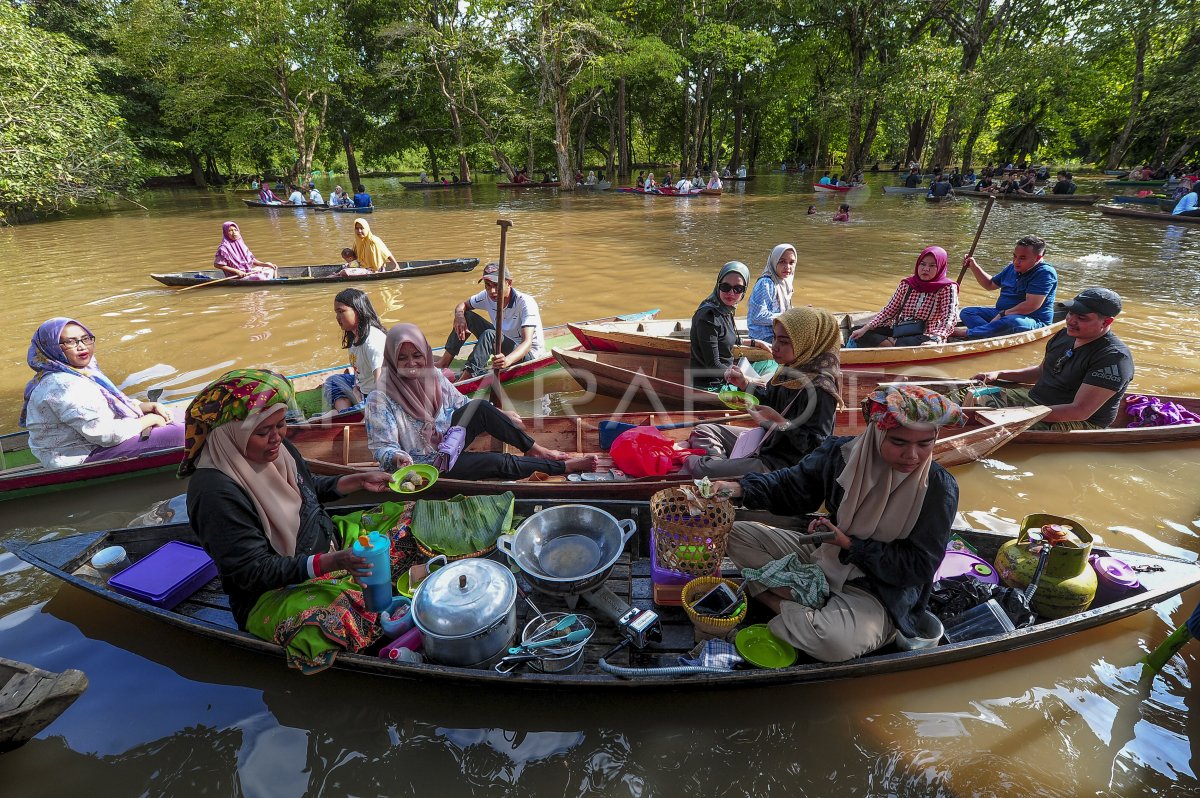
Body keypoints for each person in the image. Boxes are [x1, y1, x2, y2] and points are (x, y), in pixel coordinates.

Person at [710, 385, 963, 662]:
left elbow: (917, 567)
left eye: (924, 444)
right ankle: (805, 604)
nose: (912, 456)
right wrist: (738, 489)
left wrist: (849, 544)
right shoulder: (840, 455)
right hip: (825, 555)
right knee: (734, 533)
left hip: (878, 589)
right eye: (899, 442)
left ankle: (776, 600)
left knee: (833, 642)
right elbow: (791, 486)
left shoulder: (938, 488)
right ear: (877, 433)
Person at [181, 369, 394, 672]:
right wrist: (331, 563)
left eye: (281, 425)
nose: (276, 437)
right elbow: (251, 571)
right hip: (271, 592)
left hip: (329, 543)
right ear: (231, 431)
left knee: (409, 516)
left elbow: (304, 488)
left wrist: (355, 481)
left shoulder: (278, 449)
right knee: (336, 620)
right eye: (262, 431)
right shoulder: (214, 493)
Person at [367, 324, 597, 478]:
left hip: (450, 441)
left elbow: (461, 403)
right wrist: (396, 457)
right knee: (497, 462)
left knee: (481, 406)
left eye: (417, 356)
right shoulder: (380, 398)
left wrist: (501, 416)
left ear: (426, 354)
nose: (412, 363)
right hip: (427, 467)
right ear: (391, 359)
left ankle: (534, 450)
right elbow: (382, 448)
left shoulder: (434, 375)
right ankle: (562, 467)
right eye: (402, 358)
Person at [685, 307, 842, 477]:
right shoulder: (789, 370)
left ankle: (725, 468)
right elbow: (770, 400)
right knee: (703, 431)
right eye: (774, 338)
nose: (774, 346)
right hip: (767, 440)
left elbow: (818, 448)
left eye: (784, 341)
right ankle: (727, 467)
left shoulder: (821, 389)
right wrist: (744, 384)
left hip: (783, 464)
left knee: (697, 467)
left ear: (808, 343)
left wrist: (781, 423)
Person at [21, 318, 185, 468]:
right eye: (70, 342)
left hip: (96, 441)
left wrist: (143, 406)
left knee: (185, 415)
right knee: (182, 434)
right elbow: (105, 435)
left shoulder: (80, 370)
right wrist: (149, 419)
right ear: (51, 347)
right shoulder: (62, 385)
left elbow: (106, 403)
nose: (82, 346)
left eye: (86, 338)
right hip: (80, 456)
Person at [969, 288, 1134, 431]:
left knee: (992, 425)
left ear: (1106, 322)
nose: (1071, 321)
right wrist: (999, 374)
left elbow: (1079, 411)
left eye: (1082, 318)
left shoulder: (1114, 358)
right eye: (1071, 313)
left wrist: (1021, 414)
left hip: (1077, 421)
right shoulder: (1064, 335)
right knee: (969, 396)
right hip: (1034, 401)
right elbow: (1041, 372)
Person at [432, 262, 546, 378]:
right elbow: (463, 305)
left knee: (490, 335)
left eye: (496, 285)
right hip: (502, 342)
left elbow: (527, 343)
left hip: (528, 355)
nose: (492, 291)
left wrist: (507, 360)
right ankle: (443, 363)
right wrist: (459, 316)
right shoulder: (486, 296)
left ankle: (466, 378)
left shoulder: (525, 303)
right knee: (467, 316)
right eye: (488, 285)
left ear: (509, 283)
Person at [848, 246, 959, 347]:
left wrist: (937, 337)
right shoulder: (907, 284)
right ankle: (892, 344)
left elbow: (949, 319)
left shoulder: (947, 287)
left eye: (932, 265)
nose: (926, 269)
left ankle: (890, 344)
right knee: (857, 331)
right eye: (923, 264)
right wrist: (866, 328)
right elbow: (888, 312)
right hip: (901, 330)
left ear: (940, 267)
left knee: (922, 344)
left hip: (927, 335)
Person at [951, 234, 1057, 339]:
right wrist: (974, 267)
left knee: (1012, 321)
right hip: (1002, 314)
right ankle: (986, 333)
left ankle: (967, 333)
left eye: (1022, 258)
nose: (1016, 261)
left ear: (1038, 258)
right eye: (1015, 256)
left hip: (1030, 320)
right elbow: (990, 284)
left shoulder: (1045, 273)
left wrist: (1003, 314)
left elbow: (1031, 305)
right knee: (967, 312)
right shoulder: (1012, 267)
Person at [689, 261, 770, 390]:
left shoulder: (725, 309)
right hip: (713, 384)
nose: (731, 293)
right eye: (725, 287)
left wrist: (756, 343)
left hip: (729, 374)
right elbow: (713, 366)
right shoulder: (708, 316)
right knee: (766, 389)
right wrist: (748, 380)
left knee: (770, 363)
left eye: (738, 289)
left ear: (744, 291)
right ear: (718, 285)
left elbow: (725, 338)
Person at [322, 289, 388, 413]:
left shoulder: (372, 341)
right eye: (337, 313)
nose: (338, 318)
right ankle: (346, 413)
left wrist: (358, 398)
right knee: (333, 381)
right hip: (361, 388)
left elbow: (382, 388)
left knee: (370, 407)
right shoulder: (355, 336)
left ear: (358, 311)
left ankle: (350, 414)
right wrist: (356, 387)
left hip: (375, 396)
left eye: (341, 312)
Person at [747, 244, 797, 344]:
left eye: (791, 262)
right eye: (782, 261)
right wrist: (788, 316)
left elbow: (782, 310)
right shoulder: (766, 283)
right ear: (774, 261)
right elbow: (758, 316)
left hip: (778, 332)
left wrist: (799, 312)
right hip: (764, 337)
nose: (787, 267)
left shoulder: (785, 282)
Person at [214, 221, 278, 280]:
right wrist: (237, 271)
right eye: (230, 231)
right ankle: (269, 280)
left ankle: (274, 280)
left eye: (235, 230)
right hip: (236, 276)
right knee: (260, 277)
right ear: (225, 233)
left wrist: (265, 265)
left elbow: (252, 261)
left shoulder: (242, 244)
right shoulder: (223, 248)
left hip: (248, 272)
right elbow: (217, 265)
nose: (234, 232)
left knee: (270, 265)